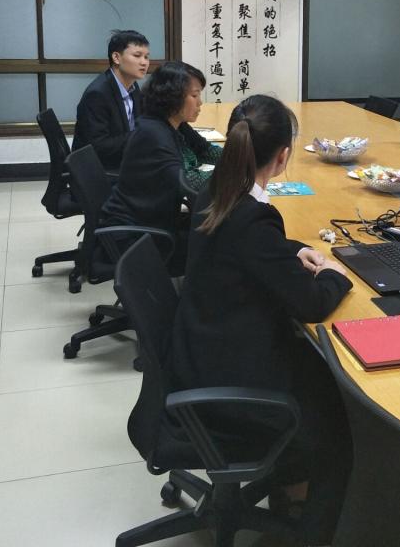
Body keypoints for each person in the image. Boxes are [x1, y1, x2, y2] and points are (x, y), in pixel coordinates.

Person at [169, 94, 353, 545]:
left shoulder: (217, 190)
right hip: (229, 382)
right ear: (283, 156)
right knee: (340, 432)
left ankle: (287, 491)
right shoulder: (253, 217)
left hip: (198, 353)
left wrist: (294, 250)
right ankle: (309, 534)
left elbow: (249, 250)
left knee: (318, 372)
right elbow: (310, 304)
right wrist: (337, 275)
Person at [99, 61, 220, 275]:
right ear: (173, 97)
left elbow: (205, 150)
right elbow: (189, 183)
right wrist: (233, 170)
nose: (200, 102)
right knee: (223, 247)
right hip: (137, 237)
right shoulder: (154, 135)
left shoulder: (173, 123)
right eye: (194, 95)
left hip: (156, 219)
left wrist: (242, 155)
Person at [72, 30, 150, 170]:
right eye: (137, 55)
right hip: (100, 168)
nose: (144, 62)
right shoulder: (97, 94)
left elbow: (140, 122)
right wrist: (140, 136)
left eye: (146, 57)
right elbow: (98, 146)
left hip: (124, 158)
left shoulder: (132, 85)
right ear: (116, 58)